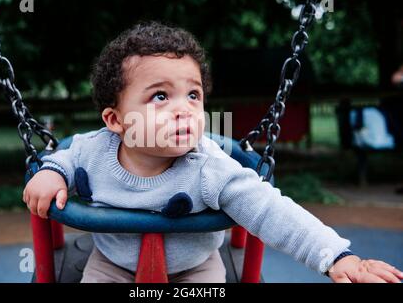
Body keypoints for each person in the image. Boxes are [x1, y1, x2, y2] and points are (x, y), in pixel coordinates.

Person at [23, 21, 403, 283]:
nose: (183, 107)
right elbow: (64, 157)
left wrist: (337, 257)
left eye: (193, 95)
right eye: (160, 95)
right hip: (112, 263)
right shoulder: (94, 149)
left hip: (195, 268)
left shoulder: (210, 167)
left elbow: (272, 211)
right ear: (115, 120)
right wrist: (51, 173)